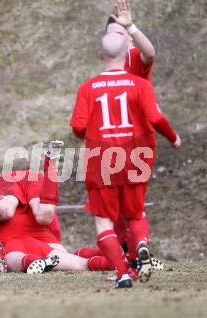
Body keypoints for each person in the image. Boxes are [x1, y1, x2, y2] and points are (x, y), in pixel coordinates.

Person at [70, 31, 180, 288]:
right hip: (135, 156)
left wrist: (85, 132)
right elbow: (155, 118)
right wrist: (173, 138)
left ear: (101, 55)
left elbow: (77, 127)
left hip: (102, 159)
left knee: (104, 221)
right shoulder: (141, 85)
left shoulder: (87, 88)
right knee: (136, 213)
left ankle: (122, 275)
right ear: (126, 54)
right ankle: (141, 244)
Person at [0, 140, 114, 274]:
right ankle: (51, 158)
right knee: (43, 218)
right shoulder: (47, 244)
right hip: (34, 235)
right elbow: (52, 227)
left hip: (15, 237)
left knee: (8, 215)